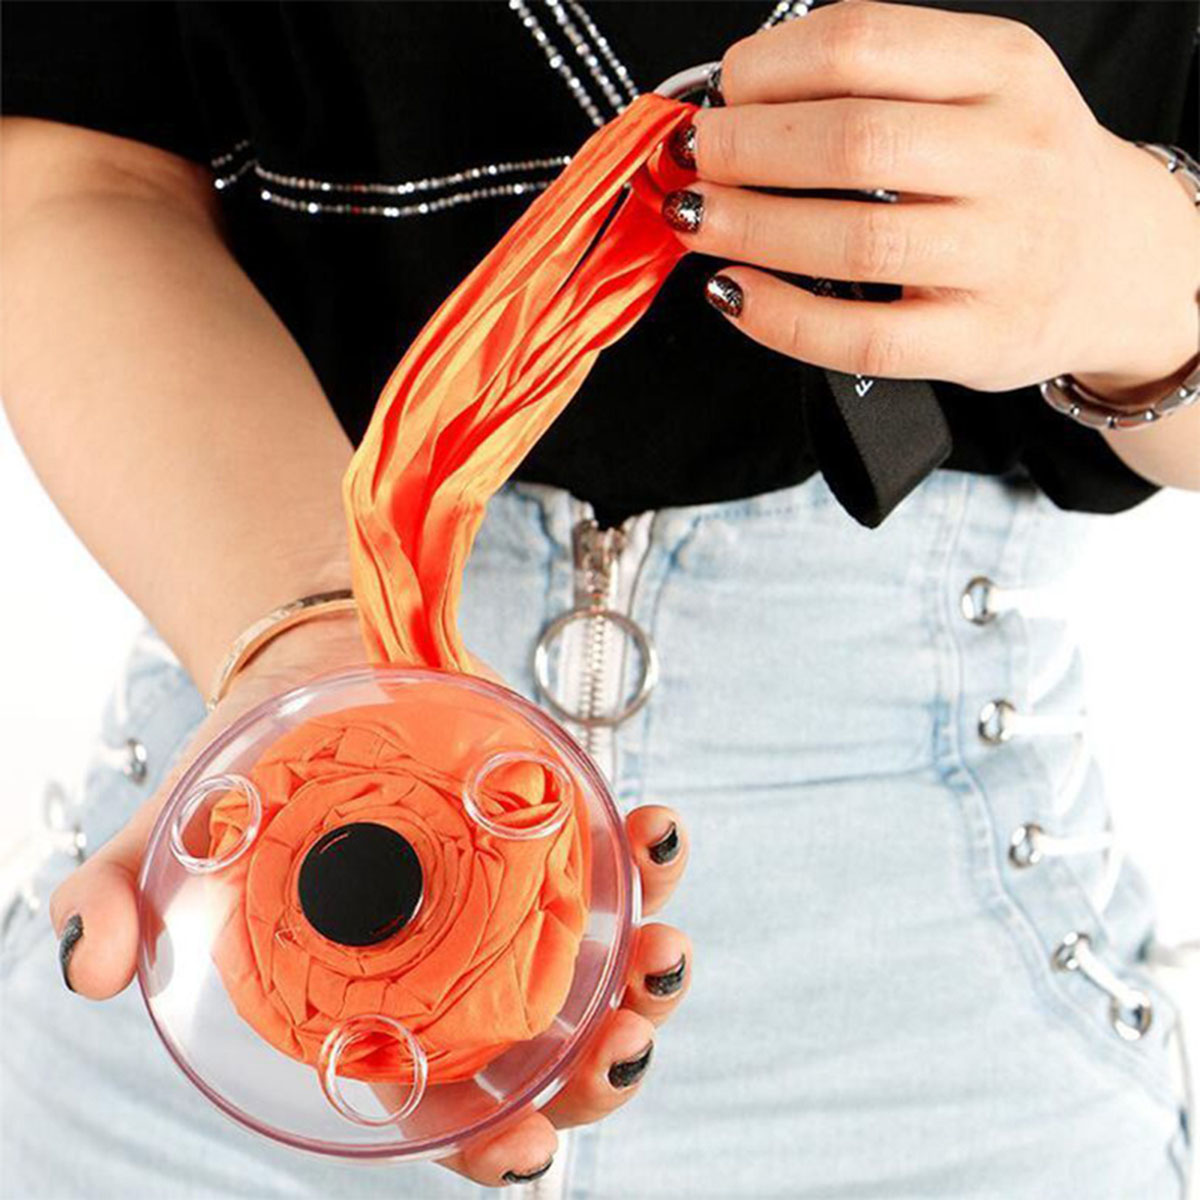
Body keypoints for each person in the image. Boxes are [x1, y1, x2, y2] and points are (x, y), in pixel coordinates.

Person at [1, 1, 1196, 1196]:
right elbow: (80, 160)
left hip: (959, 1042)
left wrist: (1140, 267)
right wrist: (319, 638)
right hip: (250, 902)